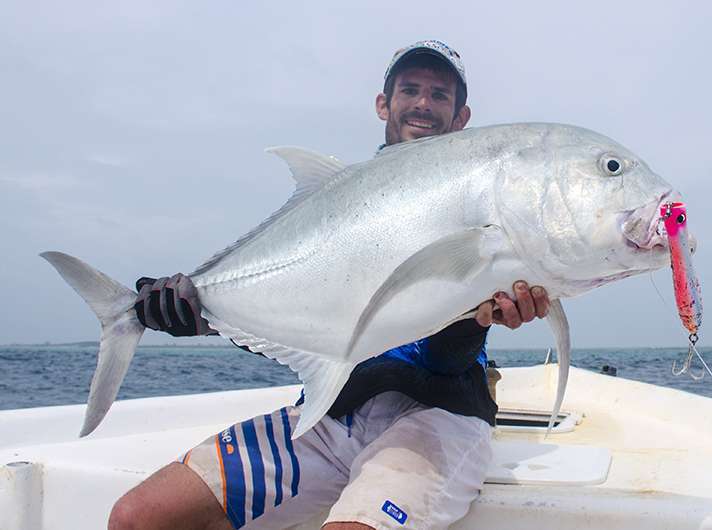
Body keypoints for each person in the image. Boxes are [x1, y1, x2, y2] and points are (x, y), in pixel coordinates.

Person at [109, 40, 550, 530]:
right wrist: (197, 314)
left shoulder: (477, 195)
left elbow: (445, 362)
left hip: (438, 417)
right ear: (383, 103)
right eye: (410, 89)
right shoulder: (341, 204)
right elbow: (302, 315)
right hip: (333, 412)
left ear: (461, 116)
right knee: (138, 517)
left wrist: (474, 320)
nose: (423, 103)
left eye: (439, 95)